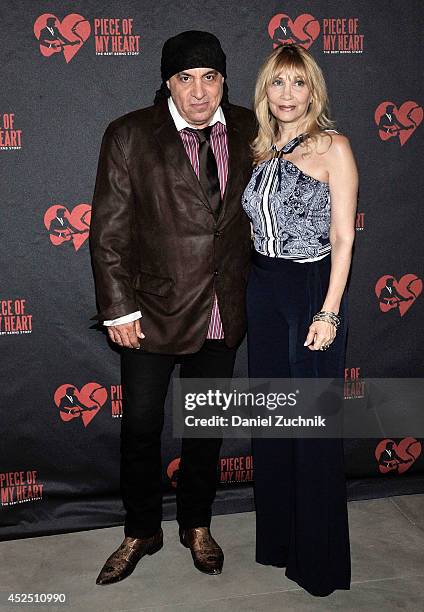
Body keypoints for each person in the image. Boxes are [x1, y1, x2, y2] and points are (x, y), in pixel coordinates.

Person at [89, 30, 256, 585]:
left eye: (210, 78)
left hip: (221, 308)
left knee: (206, 429)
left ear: (224, 80)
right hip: (152, 310)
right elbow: (108, 234)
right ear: (167, 82)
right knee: (140, 426)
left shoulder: (252, 128)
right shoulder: (130, 135)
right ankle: (141, 529)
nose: (199, 92)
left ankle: (196, 525)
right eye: (186, 79)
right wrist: (119, 309)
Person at [242, 43, 358, 596]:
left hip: (309, 288)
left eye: (298, 83)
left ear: (313, 90)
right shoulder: (262, 150)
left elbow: (342, 237)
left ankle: (319, 561)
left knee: (310, 425)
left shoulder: (334, 147)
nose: (287, 95)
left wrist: (328, 312)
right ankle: (281, 540)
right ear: (266, 91)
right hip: (262, 290)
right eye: (277, 84)